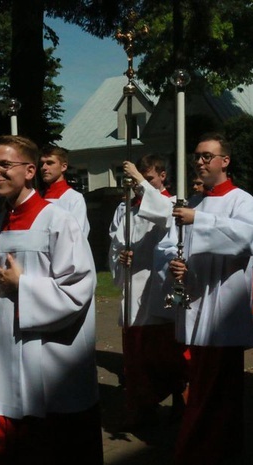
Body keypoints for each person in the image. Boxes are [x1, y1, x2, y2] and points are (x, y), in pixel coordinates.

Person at [0, 135, 104, 465]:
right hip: (5, 357)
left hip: (47, 360)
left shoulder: (59, 221)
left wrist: (25, 285)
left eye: (5, 165)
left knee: (49, 457)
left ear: (30, 171)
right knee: (1, 448)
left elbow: (79, 287)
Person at [165, 132, 253, 465]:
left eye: (207, 156)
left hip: (222, 306)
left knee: (211, 387)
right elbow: (174, 245)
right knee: (217, 386)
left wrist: (198, 220)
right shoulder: (194, 201)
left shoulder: (243, 201)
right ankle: (226, 446)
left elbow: (241, 241)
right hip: (195, 299)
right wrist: (175, 264)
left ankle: (199, 454)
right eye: (197, 156)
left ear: (225, 161)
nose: (200, 162)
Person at [108, 154, 187, 428]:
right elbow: (116, 243)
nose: (141, 186)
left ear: (162, 176)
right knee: (136, 355)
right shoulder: (126, 209)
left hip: (158, 287)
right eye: (137, 180)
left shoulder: (173, 204)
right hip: (133, 286)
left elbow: (166, 216)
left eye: (149, 178)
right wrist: (121, 259)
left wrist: (142, 182)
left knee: (165, 354)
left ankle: (179, 398)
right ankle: (143, 404)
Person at [40, 145, 90, 236]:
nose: (44, 167)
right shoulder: (38, 197)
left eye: (50, 163)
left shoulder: (74, 198)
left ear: (63, 167)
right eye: (42, 164)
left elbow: (77, 236)